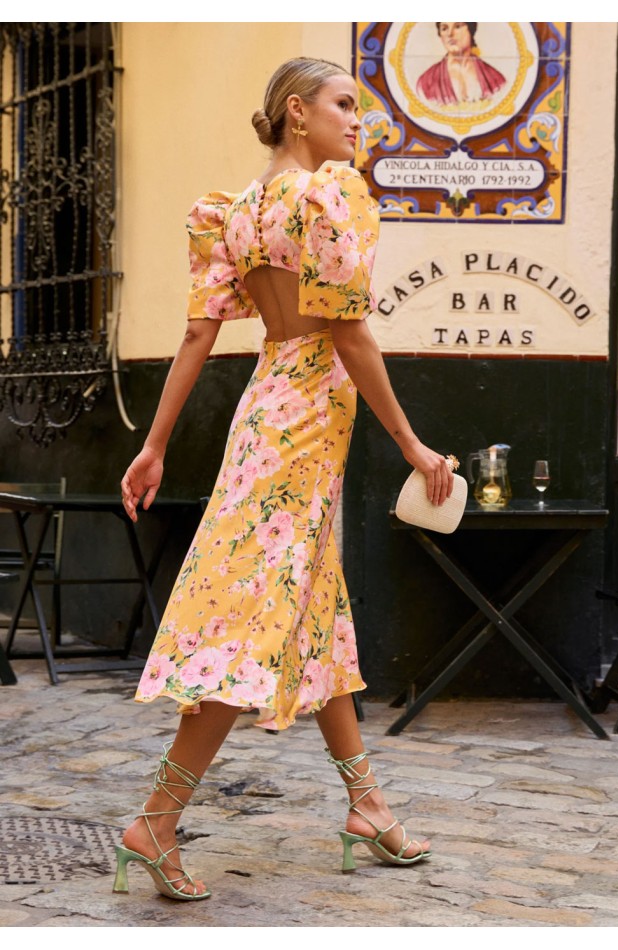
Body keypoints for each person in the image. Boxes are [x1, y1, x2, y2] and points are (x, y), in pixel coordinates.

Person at [115, 56, 454, 902]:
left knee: (311, 608)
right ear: (297, 113)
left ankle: (367, 806)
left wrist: (154, 446)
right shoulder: (324, 197)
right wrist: (413, 445)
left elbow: (197, 338)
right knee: (254, 620)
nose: (358, 121)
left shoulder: (230, 213)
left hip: (265, 408)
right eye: (345, 104)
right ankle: (156, 820)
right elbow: (349, 336)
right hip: (303, 420)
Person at [417, 22, 506, 106]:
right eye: (444, 28)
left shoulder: (495, 79)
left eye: (457, 26)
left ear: (470, 30)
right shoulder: (426, 82)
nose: (450, 34)